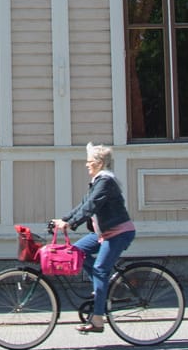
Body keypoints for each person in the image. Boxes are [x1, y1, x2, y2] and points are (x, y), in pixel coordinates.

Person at [51, 142, 136, 333]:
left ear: (99, 163)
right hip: (104, 233)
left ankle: (98, 320)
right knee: (76, 251)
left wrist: (71, 224)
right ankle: (101, 289)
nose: (86, 164)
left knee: (99, 269)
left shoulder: (106, 182)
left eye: (89, 161)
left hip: (119, 233)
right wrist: (63, 220)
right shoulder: (98, 181)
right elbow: (83, 205)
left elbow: (91, 206)